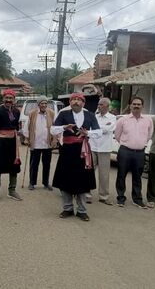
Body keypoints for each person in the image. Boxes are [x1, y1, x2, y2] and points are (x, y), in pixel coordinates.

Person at [51, 92, 101, 221]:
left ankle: (82, 210)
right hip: (67, 151)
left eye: (79, 100)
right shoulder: (63, 114)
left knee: (83, 181)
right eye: (73, 99)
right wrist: (63, 127)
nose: (76, 102)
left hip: (83, 152)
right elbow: (52, 129)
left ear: (83, 103)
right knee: (65, 179)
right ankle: (67, 208)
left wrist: (87, 132)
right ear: (70, 102)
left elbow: (99, 132)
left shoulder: (90, 115)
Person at [114, 96, 153, 208]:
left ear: (142, 106)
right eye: (134, 104)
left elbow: (149, 135)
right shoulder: (123, 120)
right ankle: (120, 198)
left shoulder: (148, 120)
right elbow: (117, 135)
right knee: (121, 175)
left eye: (138, 104)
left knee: (137, 176)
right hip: (125, 151)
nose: (136, 106)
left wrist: (140, 144)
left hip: (140, 152)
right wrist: (127, 143)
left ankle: (137, 199)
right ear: (130, 105)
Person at [0, 89, 22, 201]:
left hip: (13, 143)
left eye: (11, 98)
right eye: (6, 98)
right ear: (3, 99)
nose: (8, 100)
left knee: (14, 166)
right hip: (1, 142)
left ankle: (12, 190)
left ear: (14, 100)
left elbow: (17, 127)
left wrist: (21, 134)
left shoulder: (16, 112)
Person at [22, 96, 57, 191]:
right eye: (42, 103)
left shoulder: (52, 113)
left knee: (47, 164)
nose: (44, 105)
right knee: (34, 164)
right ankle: (32, 183)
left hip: (47, 143)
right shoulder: (32, 113)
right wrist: (26, 138)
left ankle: (46, 183)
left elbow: (55, 127)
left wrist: (55, 139)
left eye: (45, 103)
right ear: (38, 104)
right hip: (36, 143)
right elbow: (27, 126)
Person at [89, 97, 117, 205]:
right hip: (93, 147)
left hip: (105, 149)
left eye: (101, 104)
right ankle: (87, 194)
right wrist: (100, 129)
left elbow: (108, 130)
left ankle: (103, 196)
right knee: (89, 172)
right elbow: (91, 130)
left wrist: (97, 130)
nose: (99, 106)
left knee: (104, 174)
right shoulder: (94, 116)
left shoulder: (113, 117)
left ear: (107, 106)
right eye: (98, 104)